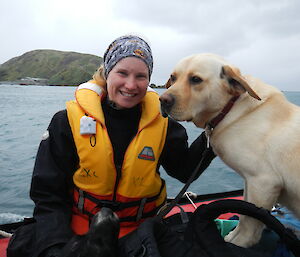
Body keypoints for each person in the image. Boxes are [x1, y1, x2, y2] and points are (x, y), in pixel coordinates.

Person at [7, 35, 215, 257]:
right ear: (107, 73)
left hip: (142, 232)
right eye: (122, 73)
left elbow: (184, 170)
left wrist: (212, 134)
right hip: (78, 231)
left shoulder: (163, 125)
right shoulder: (66, 122)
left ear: (149, 79)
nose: (131, 85)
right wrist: (56, 247)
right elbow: (47, 195)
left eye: (141, 76)